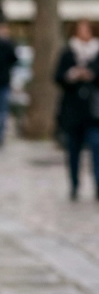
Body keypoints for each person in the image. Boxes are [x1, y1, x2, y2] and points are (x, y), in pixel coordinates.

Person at [54, 18, 99, 200]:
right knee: (73, 150)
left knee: (97, 147)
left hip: (95, 111)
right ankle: (74, 184)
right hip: (72, 110)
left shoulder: (97, 53)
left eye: (87, 29)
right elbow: (57, 77)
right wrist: (71, 75)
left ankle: (98, 185)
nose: (84, 32)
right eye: (81, 29)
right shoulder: (67, 53)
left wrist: (91, 75)